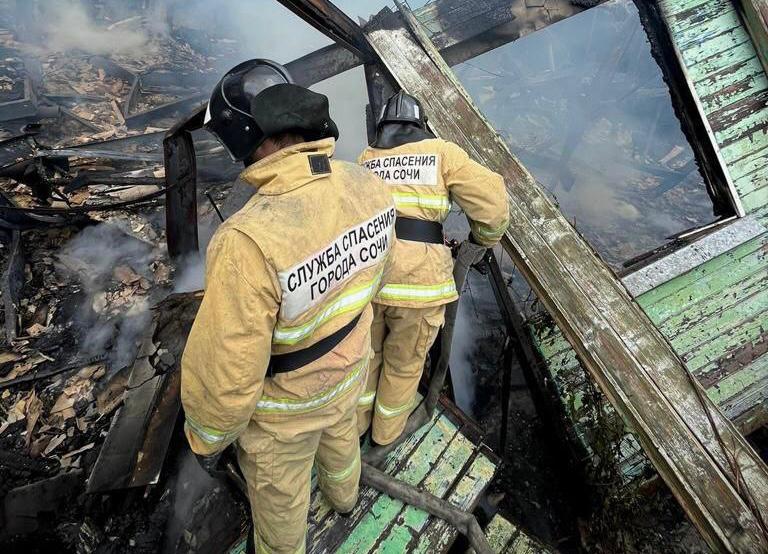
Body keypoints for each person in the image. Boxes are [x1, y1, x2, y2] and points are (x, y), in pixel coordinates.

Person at [181, 59, 396, 553]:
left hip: (285, 413)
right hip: (349, 373)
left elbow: (229, 370)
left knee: (281, 503)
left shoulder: (246, 239)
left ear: (243, 140)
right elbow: (370, 280)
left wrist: (208, 440)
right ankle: (345, 501)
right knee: (343, 452)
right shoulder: (368, 185)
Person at [356, 91, 509, 446]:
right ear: (421, 125)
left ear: (381, 127)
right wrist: (481, 241)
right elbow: (492, 205)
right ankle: (384, 438)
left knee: (368, 359)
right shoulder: (442, 152)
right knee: (404, 363)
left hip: (369, 279)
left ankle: (356, 430)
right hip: (419, 285)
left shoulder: (366, 158)